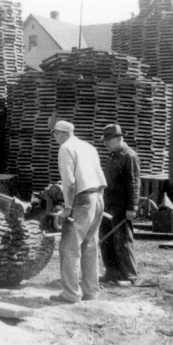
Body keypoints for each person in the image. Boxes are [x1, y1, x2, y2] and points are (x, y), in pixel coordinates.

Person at [49, 120, 107, 304]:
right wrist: (96, 199)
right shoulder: (88, 147)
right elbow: (100, 177)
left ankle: (71, 294)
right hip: (97, 196)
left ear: (60, 133)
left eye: (55, 134)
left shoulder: (66, 148)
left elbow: (69, 182)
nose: (54, 137)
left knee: (69, 248)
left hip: (81, 199)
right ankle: (91, 292)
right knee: (89, 246)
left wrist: (67, 208)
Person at [99, 123, 140, 285]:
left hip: (122, 207)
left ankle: (129, 275)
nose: (105, 143)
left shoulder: (129, 156)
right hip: (107, 206)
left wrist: (132, 207)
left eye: (108, 140)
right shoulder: (112, 156)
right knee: (106, 240)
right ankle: (112, 272)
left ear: (118, 138)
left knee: (122, 241)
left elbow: (134, 183)